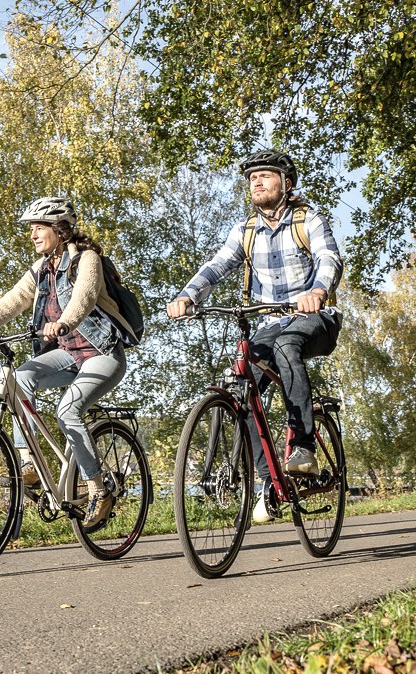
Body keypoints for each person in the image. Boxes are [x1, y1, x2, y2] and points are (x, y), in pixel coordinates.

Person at [166, 149, 343, 523]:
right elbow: (216, 265)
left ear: (287, 183)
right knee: (239, 387)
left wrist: (318, 292)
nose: (257, 182)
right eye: (252, 178)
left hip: (315, 319)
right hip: (266, 322)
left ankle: (302, 446)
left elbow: (329, 257)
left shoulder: (307, 219)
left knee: (285, 344)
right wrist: (187, 295)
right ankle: (270, 482)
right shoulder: (245, 230)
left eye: (266, 175)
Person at [0, 197, 136, 531]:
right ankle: (29, 462)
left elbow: (86, 296)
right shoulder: (41, 269)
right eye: (32, 230)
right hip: (67, 354)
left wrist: (64, 322)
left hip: (102, 353)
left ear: (60, 229)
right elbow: (11, 302)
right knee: (18, 380)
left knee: (68, 411)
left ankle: (97, 489)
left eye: (39, 229)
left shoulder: (86, 259)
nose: (33, 235)